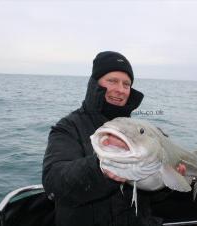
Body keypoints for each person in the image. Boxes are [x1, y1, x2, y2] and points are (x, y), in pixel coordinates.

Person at [42, 51, 185, 226]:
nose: (120, 89)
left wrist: (169, 180)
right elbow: (54, 184)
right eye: (112, 81)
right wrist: (101, 169)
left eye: (126, 84)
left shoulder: (140, 132)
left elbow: (152, 195)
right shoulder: (68, 128)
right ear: (96, 83)